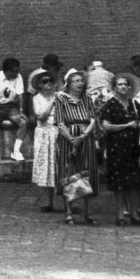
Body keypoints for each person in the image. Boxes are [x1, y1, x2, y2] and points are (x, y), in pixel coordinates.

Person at [101, 73, 140, 225]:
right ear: (114, 88)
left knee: (134, 183)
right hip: (117, 148)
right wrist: (126, 125)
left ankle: (134, 214)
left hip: (133, 148)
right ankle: (120, 214)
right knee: (119, 183)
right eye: (119, 84)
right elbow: (106, 125)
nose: (122, 87)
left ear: (130, 87)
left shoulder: (134, 104)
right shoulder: (110, 105)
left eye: (125, 84)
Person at [52, 68, 98, 226]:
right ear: (69, 84)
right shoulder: (61, 99)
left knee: (87, 172)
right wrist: (72, 139)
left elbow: (93, 119)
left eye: (81, 81)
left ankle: (88, 211)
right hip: (67, 139)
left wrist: (83, 136)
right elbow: (59, 122)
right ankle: (69, 212)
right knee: (68, 172)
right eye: (76, 81)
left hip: (86, 137)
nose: (80, 83)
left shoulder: (87, 98)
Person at [0, 57, 25, 162]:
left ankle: (16, 151)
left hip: (11, 107)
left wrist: (21, 111)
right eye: (14, 71)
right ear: (6, 71)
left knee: (23, 122)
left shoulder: (18, 77)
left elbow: (20, 95)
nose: (17, 73)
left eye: (18, 70)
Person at [30, 71, 58, 213]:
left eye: (50, 81)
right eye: (45, 81)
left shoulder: (61, 97)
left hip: (57, 133)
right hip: (43, 134)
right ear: (40, 85)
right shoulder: (37, 98)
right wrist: (53, 102)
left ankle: (68, 202)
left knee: (59, 166)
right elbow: (41, 116)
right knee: (46, 166)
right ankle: (49, 202)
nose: (48, 84)